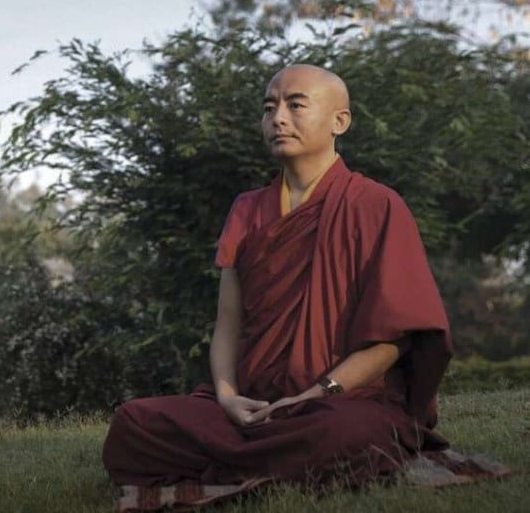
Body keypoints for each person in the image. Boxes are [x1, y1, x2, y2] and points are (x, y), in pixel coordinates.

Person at [101, 64, 504, 510]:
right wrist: (229, 397)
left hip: (342, 401)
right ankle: (276, 458)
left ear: (339, 121)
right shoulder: (247, 209)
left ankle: (248, 460)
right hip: (253, 408)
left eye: (296, 105)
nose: (278, 118)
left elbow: (394, 340)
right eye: (269, 107)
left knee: (344, 435)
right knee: (133, 424)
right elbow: (228, 324)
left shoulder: (376, 205)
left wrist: (316, 393)